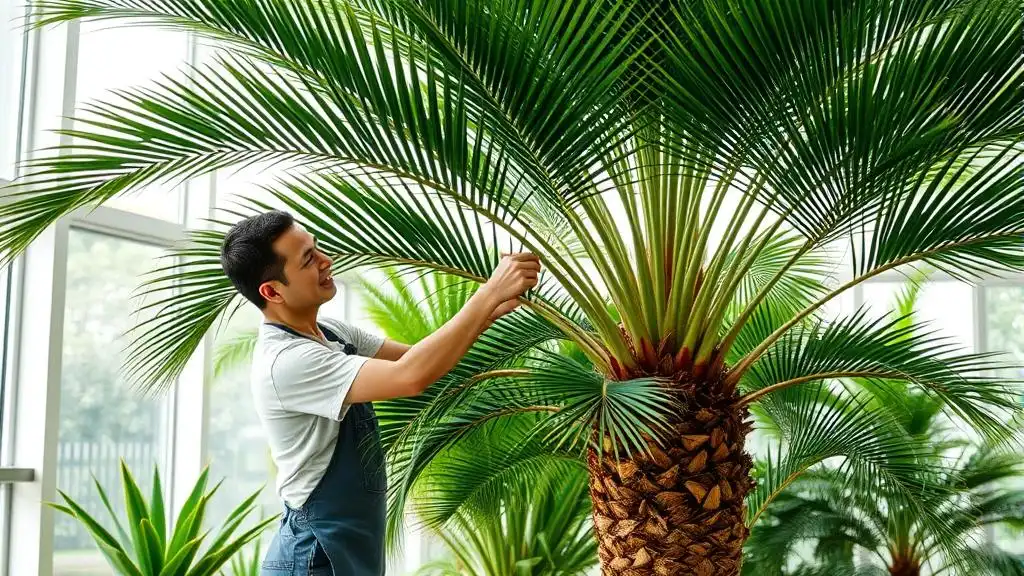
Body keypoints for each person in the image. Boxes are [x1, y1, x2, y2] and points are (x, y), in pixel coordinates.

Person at [219, 211, 540, 576]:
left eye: (316, 248)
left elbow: (422, 358)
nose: (326, 261)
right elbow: (410, 376)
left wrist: (494, 309)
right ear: (272, 291)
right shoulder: (287, 362)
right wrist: (488, 294)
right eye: (309, 259)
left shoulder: (331, 334)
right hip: (315, 557)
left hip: (347, 551)